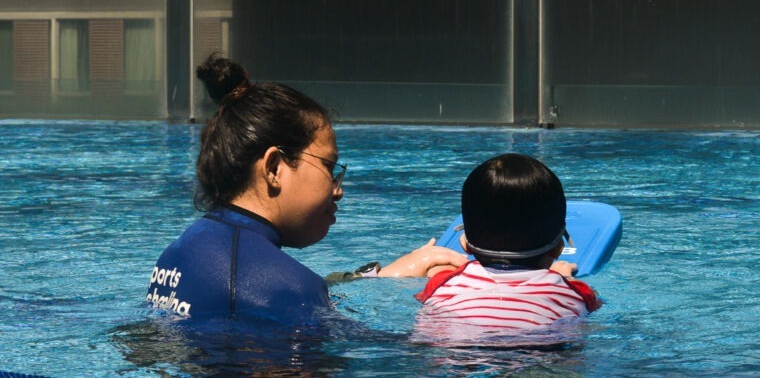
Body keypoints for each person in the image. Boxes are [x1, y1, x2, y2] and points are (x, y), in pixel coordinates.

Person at [146, 54, 466, 324]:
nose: (338, 190)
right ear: (274, 168)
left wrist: (380, 277)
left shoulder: (179, 252)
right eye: (328, 167)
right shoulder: (289, 290)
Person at [413, 153, 601, 336]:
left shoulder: (440, 283)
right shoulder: (576, 294)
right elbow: (591, 303)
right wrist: (566, 278)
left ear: (465, 244)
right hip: (541, 349)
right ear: (559, 247)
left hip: (452, 348)